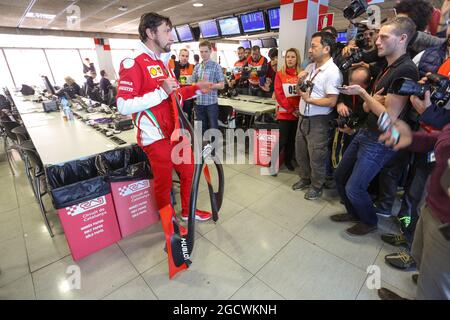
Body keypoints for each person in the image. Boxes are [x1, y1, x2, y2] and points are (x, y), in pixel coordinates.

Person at [116, 12, 213, 222]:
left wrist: (197, 88)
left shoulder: (163, 62)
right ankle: (169, 227)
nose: (171, 36)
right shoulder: (133, 62)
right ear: (151, 33)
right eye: (167, 31)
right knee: (164, 183)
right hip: (155, 137)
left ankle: (188, 212)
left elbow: (174, 94)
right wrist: (160, 92)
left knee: (189, 172)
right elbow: (123, 105)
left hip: (175, 132)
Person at [331, 17, 419, 236]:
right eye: (378, 36)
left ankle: (369, 221)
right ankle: (353, 212)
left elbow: (388, 115)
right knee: (340, 176)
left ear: (402, 39)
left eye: (383, 37)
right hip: (366, 131)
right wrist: (373, 101)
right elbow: (370, 106)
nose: (377, 41)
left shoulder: (405, 70)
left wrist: (364, 94)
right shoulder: (388, 67)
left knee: (355, 187)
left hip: (380, 139)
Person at [377, 120, 450, 300]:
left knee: (435, 288)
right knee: (420, 256)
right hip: (433, 207)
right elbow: (443, 139)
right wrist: (413, 139)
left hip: (446, 224)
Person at [292, 31, 343, 200]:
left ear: (326, 48)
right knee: (301, 151)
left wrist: (310, 100)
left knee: (317, 155)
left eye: (314, 46)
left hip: (319, 121)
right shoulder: (310, 67)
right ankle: (305, 178)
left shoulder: (332, 72)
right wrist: (300, 80)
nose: (309, 50)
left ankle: (317, 185)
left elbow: (331, 101)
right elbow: (301, 89)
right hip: (303, 117)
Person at [273, 48, 301, 172]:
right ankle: (272, 164)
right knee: (282, 140)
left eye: (293, 57)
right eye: (288, 57)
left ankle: (288, 161)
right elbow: (279, 95)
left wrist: (298, 110)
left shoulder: (302, 74)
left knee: (292, 140)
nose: (290, 59)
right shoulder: (280, 74)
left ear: (297, 59)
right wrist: (291, 109)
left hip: (298, 113)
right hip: (285, 113)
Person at [191, 40, 225, 136]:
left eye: (206, 51)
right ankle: (203, 149)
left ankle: (214, 150)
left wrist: (209, 85)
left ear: (210, 51)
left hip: (211, 104)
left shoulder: (216, 66)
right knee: (201, 130)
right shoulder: (197, 67)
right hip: (199, 104)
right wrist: (197, 85)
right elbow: (192, 83)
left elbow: (222, 85)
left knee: (213, 129)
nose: (203, 54)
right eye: (201, 52)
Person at [174, 49, 195, 121]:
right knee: (177, 116)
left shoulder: (192, 67)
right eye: (183, 56)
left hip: (188, 97)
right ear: (179, 56)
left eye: (186, 56)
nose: (184, 58)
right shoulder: (174, 66)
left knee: (186, 116)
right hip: (177, 96)